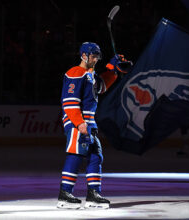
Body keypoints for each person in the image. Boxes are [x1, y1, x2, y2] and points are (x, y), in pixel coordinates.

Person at [57, 42, 131, 209]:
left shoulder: (90, 75)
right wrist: (79, 123)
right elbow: (69, 102)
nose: (96, 59)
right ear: (84, 56)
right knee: (76, 154)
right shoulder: (76, 72)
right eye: (93, 56)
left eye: (98, 56)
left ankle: (93, 194)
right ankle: (65, 194)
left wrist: (114, 70)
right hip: (79, 122)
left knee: (96, 156)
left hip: (89, 123)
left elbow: (102, 85)